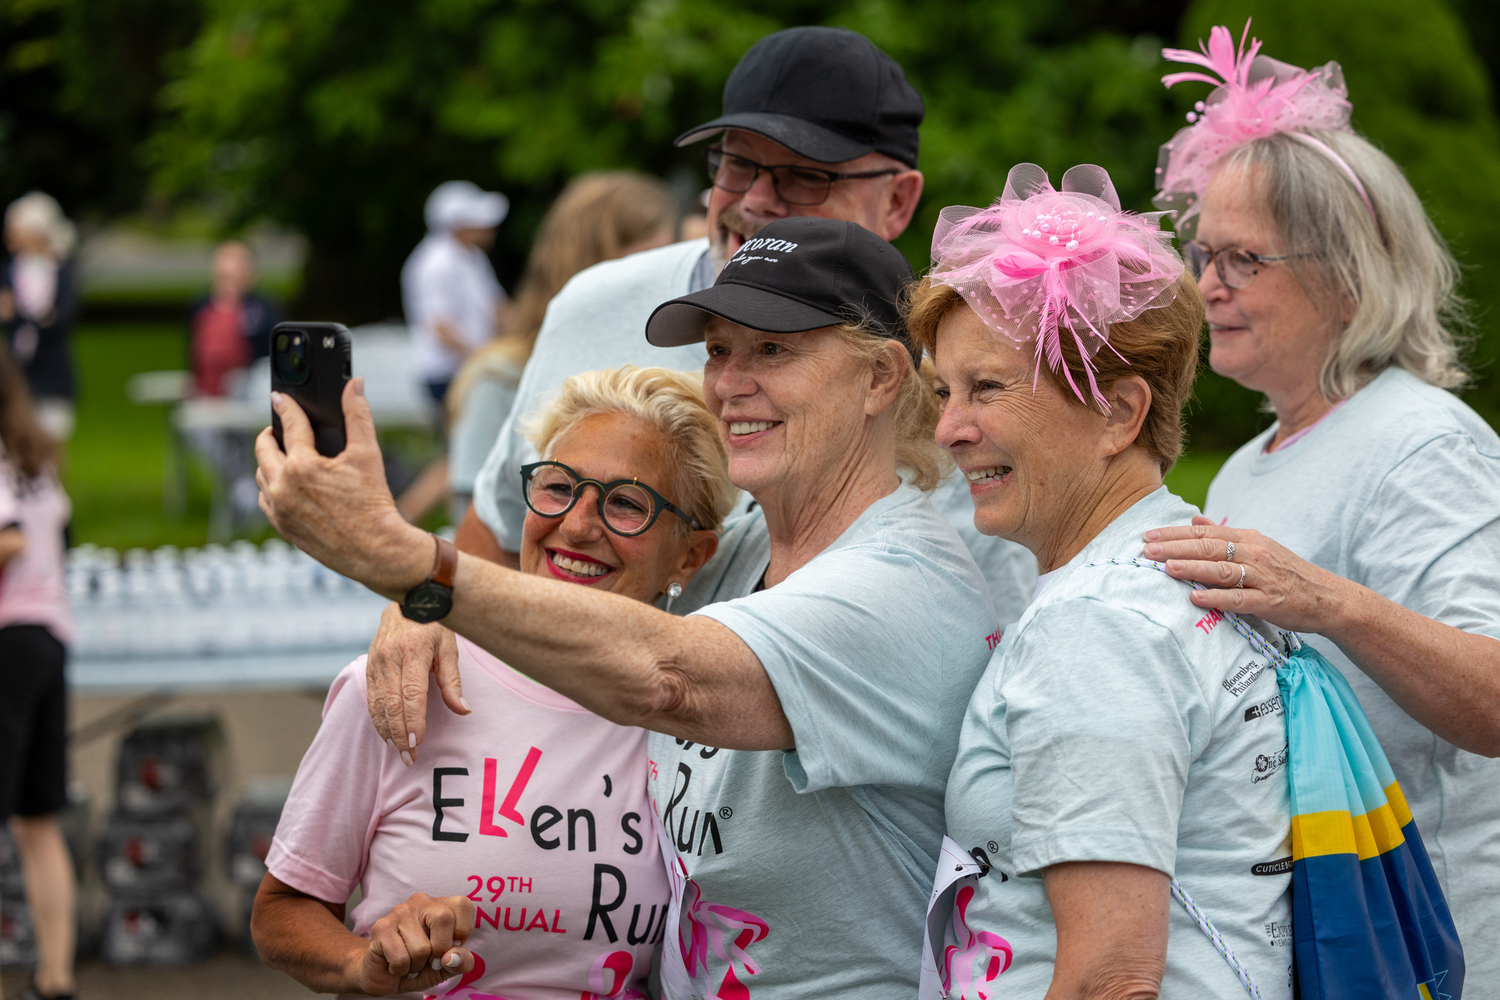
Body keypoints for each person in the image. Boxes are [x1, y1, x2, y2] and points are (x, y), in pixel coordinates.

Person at [255, 216, 998, 1000]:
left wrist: (411, 568)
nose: (732, 382)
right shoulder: (745, 554)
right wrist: (420, 613)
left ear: (882, 377)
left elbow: (662, 676)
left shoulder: (898, 581)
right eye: (718, 349)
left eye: (773, 349)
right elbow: (584, 585)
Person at [374, 25, 1036, 757]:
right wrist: (423, 604)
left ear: (900, 199)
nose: (755, 200)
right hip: (568, 791)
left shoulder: (954, 367)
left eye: (803, 175)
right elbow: (498, 534)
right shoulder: (597, 304)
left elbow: (1002, 658)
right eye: (735, 164)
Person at [1140, 26, 1500, 986]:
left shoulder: (1425, 442)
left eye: (1243, 259)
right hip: (1330, 942)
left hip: (1437, 943)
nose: (1206, 284)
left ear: (1346, 275)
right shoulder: (1248, 466)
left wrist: (1326, 600)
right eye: (1201, 251)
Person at [913, 163, 1293, 997]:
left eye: (987, 389)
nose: (948, 429)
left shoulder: (1101, 623)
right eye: (944, 390)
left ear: (1119, 413)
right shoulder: (1177, 563)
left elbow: (1109, 978)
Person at [252, 366, 732, 999]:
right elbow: (282, 908)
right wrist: (361, 962)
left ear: (690, 556)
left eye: (625, 504)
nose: (579, 525)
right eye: (559, 488)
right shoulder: (410, 680)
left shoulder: (697, 719)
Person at [446, 172, 677, 521]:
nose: (666, 282)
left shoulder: (661, 370)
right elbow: (478, 526)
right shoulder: (502, 377)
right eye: (650, 264)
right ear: (598, 266)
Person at [0, 350, 76, 1000]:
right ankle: (55, 978)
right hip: (50, 636)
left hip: (8, 639)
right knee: (38, 820)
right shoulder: (35, 456)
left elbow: (8, 541)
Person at [403, 181, 510, 406]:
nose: (489, 227)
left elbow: (498, 307)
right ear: (459, 224)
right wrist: (485, 358)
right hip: (448, 375)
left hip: (471, 370)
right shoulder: (435, 263)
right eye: (479, 221)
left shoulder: (472, 257)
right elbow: (440, 327)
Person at [0, 194, 77, 444]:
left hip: (52, 369)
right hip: (16, 369)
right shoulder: (9, 270)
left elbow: (61, 318)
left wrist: (23, 315)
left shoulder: (61, 270)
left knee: (53, 435)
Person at [188, 240, 282, 397]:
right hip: (204, 395)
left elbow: (273, 357)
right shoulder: (201, 307)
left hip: (249, 394)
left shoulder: (264, 309)